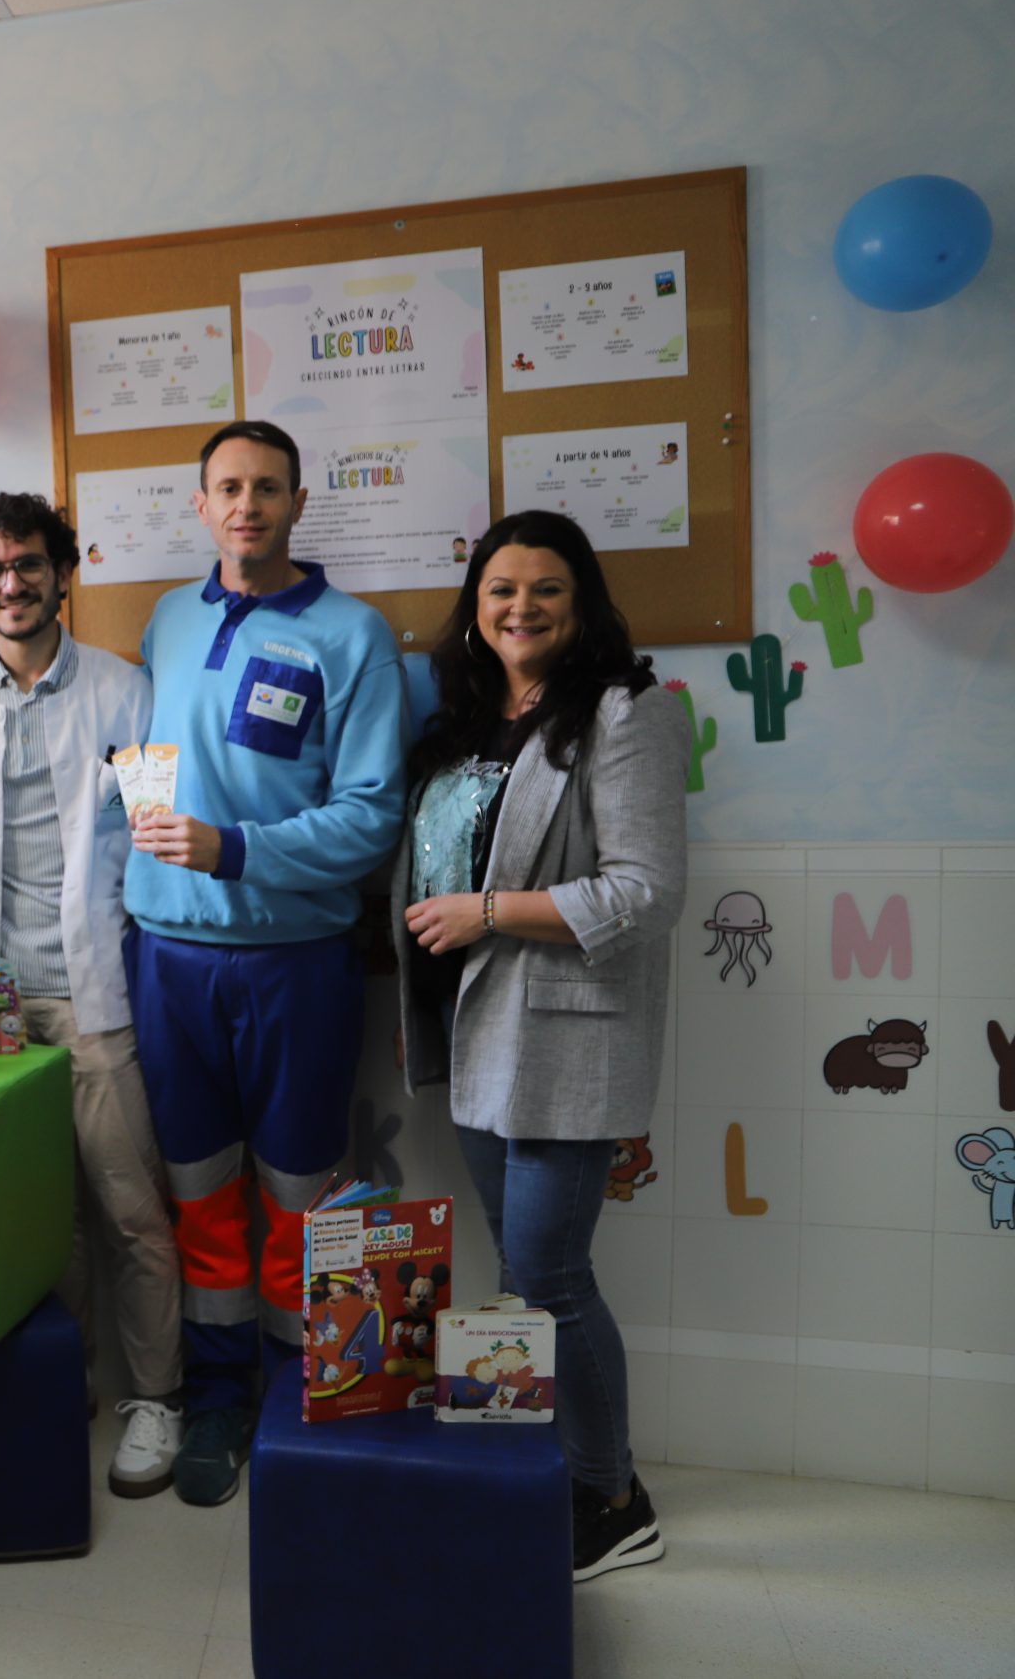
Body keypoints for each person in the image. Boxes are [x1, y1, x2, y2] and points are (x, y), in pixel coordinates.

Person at [393, 510, 686, 1582]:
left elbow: (646, 891)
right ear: (475, 607)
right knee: (523, 1271)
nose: (521, 607)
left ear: (582, 602)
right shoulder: (470, 718)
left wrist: (487, 911)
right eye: (501, 589)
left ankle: (613, 1498)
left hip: (566, 1036)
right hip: (477, 1029)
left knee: (553, 1277)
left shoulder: (623, 711)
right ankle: (554, 1472)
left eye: (546, 589)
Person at [124, 420, 410, 1508]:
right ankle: (215, 1396)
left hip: (295, 964)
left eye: (268, 488)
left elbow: (372, 817)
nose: (247, 505)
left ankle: (297, 1393)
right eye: (229, 487)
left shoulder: (354, 635)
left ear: (299, 503)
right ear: (200, 503)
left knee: (298, 1197)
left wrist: (233, 849)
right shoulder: (167, 618)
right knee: (198, 1197)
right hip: (168, 958)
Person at [0, 491, 189, 1498]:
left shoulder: (125, 690)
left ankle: (156, 1398)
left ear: (61, 572)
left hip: (90, 993)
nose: (11, 583)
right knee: (41, 1218)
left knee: (129, 1209)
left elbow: (155, 835)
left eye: (29, 563)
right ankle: (63, 1380)